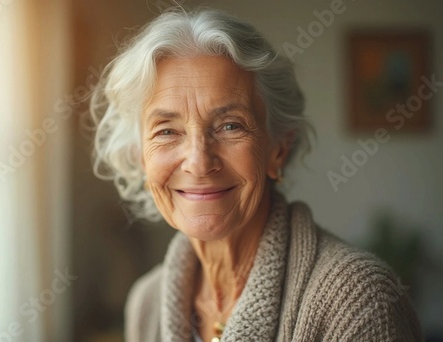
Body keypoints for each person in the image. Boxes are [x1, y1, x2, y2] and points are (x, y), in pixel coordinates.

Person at [90, 7, 422, 342]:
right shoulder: (146, 302)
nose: (198, 162)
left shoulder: (360, 300)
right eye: (166, 131)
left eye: (230, 125)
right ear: (141, 158)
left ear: (278, 149)